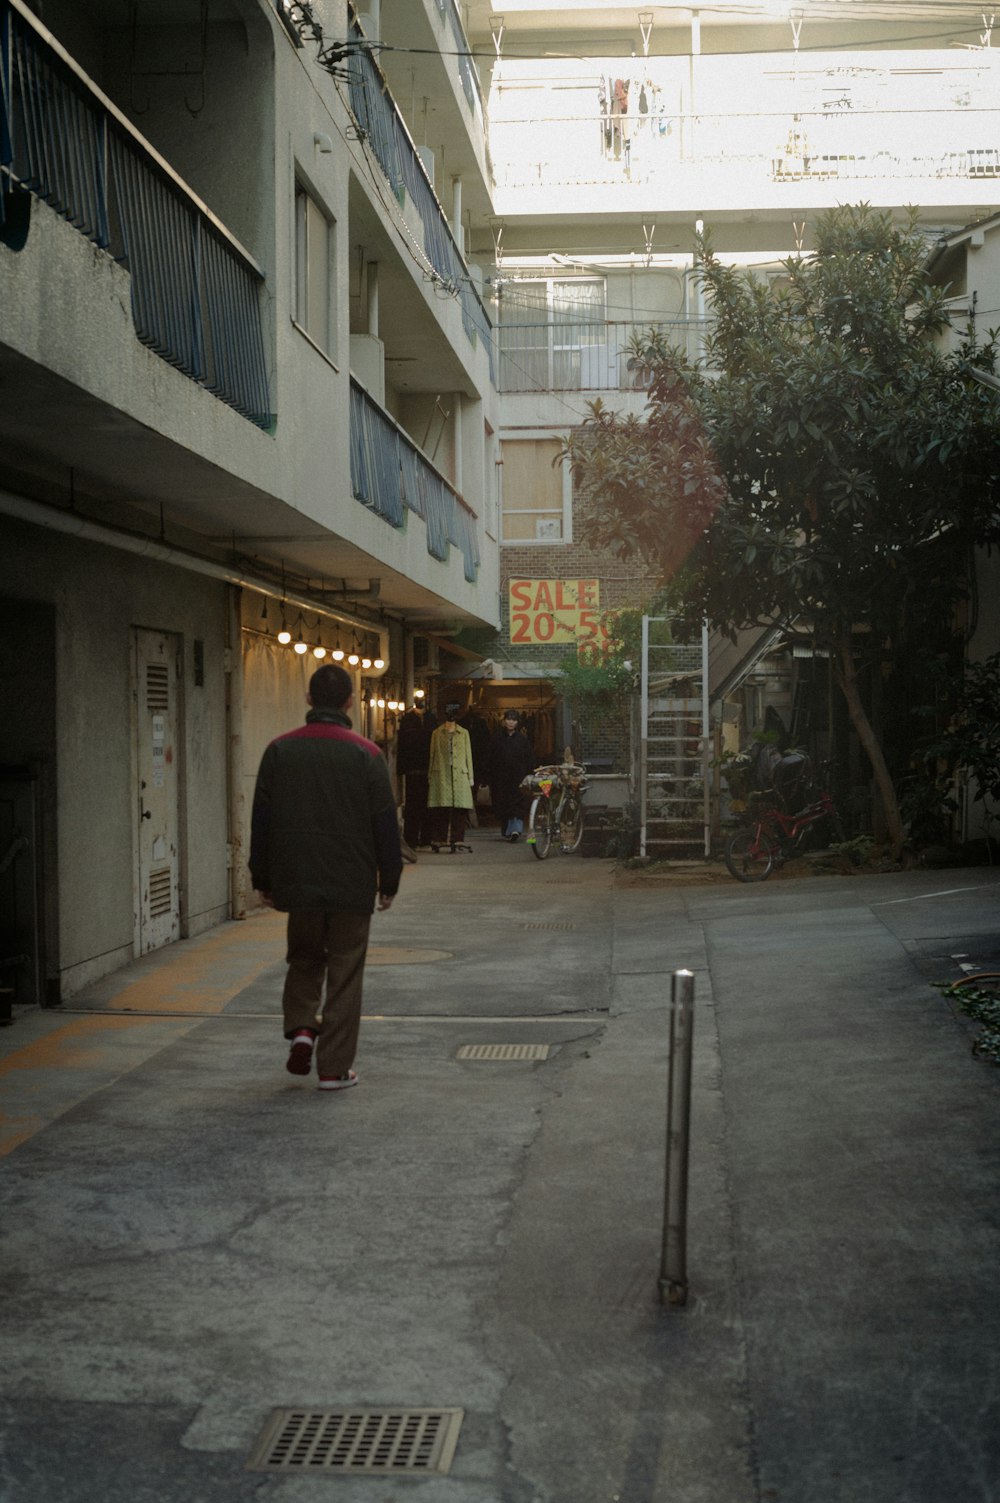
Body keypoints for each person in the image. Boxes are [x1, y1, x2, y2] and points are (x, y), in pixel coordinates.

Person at [249, 663, 402, 1091]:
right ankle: (334, 1069)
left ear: (309, 700)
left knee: (304, 958)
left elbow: (262, 820)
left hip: (297, 882)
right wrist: (388, 881)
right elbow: (385, 824)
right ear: (351, 701)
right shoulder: (367, 754)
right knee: (345, 970)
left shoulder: (279, 750)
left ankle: (301, 1027)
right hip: (351, 883)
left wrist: (262, 877)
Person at [427, 701, 475, 850]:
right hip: (441, 773)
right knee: (441, 807)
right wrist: (431, 774)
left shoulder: (464, 733)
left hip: (460, 774)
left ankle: (457, 838)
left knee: (459, 808)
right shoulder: (436, 733)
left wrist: (470, 776)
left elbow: (468, 755)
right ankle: (439, 838)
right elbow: (432, 755)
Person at [488, 709, 534, 841]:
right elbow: (490, 758)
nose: (511, 722)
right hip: (500, 778)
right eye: (508, 719)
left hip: (518, 777)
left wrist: (529, 774)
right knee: (503, 804)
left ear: (517, 722)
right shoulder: (496, 738)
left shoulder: (522, 739)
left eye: (514, 720)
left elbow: (529, 758)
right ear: (504, 721)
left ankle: (516, 830)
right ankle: (507, 830)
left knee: (517, 804)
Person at [396, 701, 437, 849]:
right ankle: (412, 838)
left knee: (426, 804)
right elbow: (401, 745)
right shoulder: (409, 719)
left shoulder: (430, 719)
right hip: (414, 769)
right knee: (414, 805)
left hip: (426, 769)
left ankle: (425, 836)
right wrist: (401, 769)